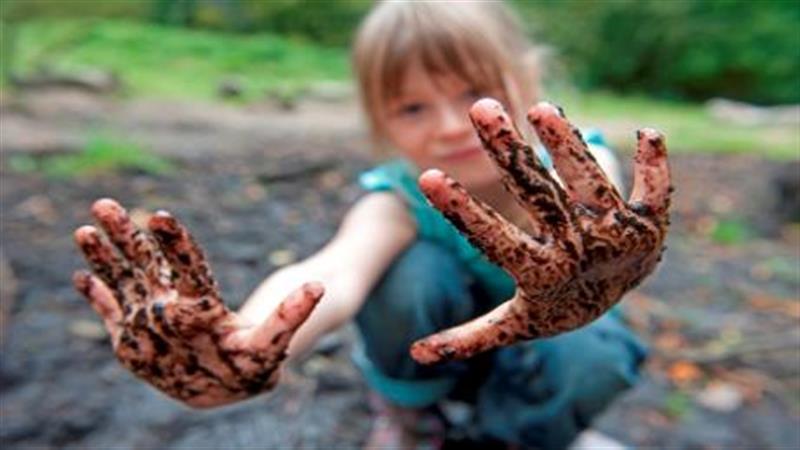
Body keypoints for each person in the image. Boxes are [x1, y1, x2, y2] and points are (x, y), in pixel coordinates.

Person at [71, 2, 671, 449]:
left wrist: (611, 246)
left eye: (475, 91)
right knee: (408, 274)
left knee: (594, 348)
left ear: (529, 78)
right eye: (412, 107)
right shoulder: (398, 200)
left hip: (547, 362)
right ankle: (412, 422)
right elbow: (330, 273)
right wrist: (242, 341)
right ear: (377, 119)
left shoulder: (580, 175)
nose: (449, 124)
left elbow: (606, 204)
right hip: (431, 363)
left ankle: (517, 435)